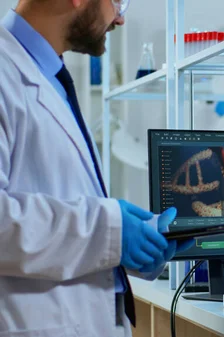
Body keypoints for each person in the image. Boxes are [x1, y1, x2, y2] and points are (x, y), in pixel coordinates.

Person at [0, 0, 193, 336]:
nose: (119, 18)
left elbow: (60, 198)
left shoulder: (49, 77)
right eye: (117, 1)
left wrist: (129, 243)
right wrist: (111, 231)